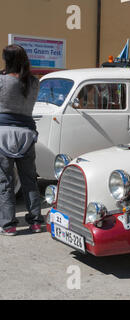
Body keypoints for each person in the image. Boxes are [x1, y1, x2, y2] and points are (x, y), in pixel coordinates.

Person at [0, 44, 43, 236]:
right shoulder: (34, 82)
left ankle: (9, 225)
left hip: (3, 134)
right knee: (29, 180)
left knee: (5, 182)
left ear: (7, 60)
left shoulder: (2, 80)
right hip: (26, 133)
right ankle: (35, 222)